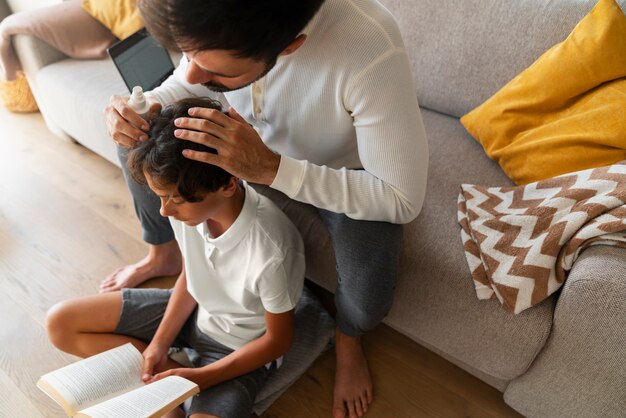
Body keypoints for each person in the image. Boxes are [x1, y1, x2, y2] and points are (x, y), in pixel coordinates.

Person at [104, 1, 429, 417]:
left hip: (342, 173)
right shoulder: (224, 22)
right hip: (247, 154)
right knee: (134, 140)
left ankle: (348, 339)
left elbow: (402, 198)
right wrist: (142, 107)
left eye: (219, 73)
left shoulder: (370, 47)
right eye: (189, 56)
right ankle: (162, 252)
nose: (194, 75)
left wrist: (271, 168)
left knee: (369, 292)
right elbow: (186, 82)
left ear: (289, 47)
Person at [47, 97, 306, 418]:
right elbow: (192, 275)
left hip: (237, 349)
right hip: (193, 312)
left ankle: (171, 391)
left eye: (174, 201)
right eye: (161, 197)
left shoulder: (271, 249)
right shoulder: (188, 207)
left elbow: (277, 342)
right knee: (61, 323)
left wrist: (199, 378)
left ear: (228, 183)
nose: (164, 210)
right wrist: (158, 344)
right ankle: (166, 387)